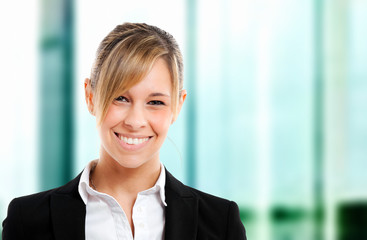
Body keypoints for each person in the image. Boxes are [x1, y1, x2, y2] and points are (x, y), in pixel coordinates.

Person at [2, 22, 246, 240]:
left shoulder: (221, 223)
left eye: (156, 102)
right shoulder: (27, 221)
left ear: (178, 105)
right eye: (120, 98)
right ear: (90, 97)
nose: (135, 121)